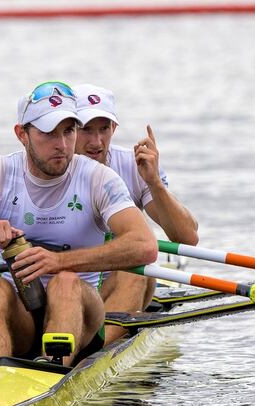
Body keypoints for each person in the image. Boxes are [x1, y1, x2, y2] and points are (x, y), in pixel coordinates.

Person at [0, 81, 158, 365]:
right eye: (49, 134)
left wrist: (58, 262)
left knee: (65, 282)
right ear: (22, 134)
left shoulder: (99, 178)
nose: (62, 145)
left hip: (81, 312)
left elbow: (144, 246)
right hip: (21, 312)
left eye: (69, 131)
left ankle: (53, 370)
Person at [73, 83, 199, 345]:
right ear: (68, 129)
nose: (96, 142)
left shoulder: (133, 165)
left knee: (135, 268)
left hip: (118, 285)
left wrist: (154, 183)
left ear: (114, 129)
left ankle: (96, 353)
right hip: (68, 286)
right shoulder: (51, 167)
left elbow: (187, 238)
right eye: (86, 129)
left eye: (104, 129)